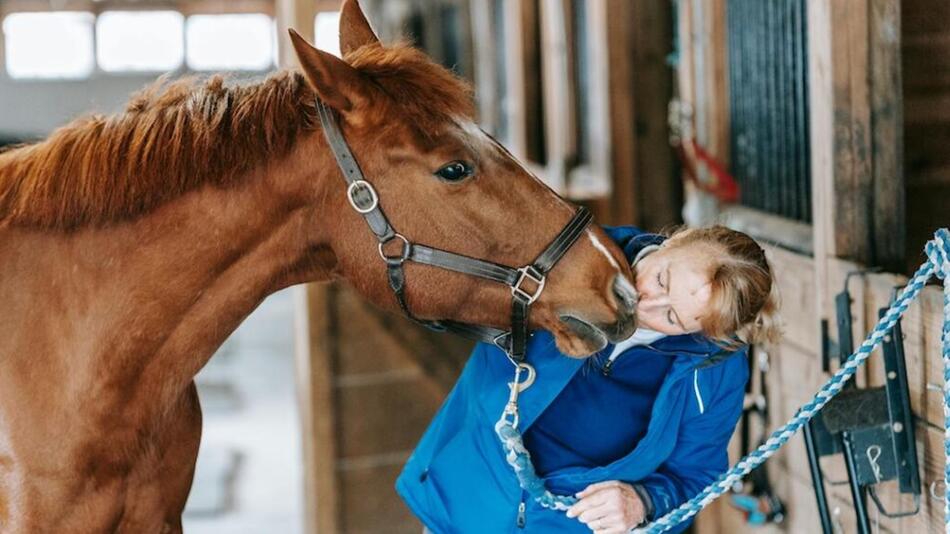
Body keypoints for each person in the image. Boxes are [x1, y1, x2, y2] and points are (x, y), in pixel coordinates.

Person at [396, 224, 781, 534]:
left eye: (673, 319)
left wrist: (642, 502)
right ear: (673, 241)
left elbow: (695, 475)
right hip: (468, 488)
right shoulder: (573, 252)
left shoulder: (715, 368)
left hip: (569, 522)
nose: (647, 306)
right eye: (661, 281)